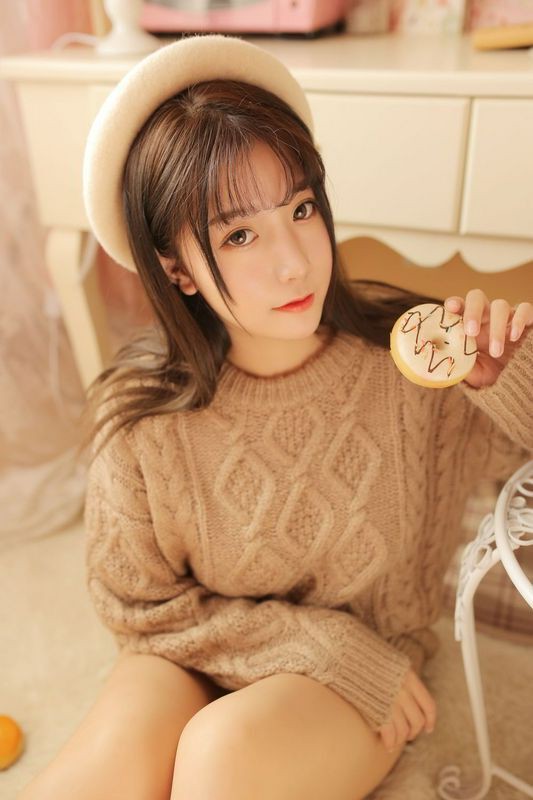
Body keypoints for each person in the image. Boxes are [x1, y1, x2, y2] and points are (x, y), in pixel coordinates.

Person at [20, 33, 533, 800]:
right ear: (174, 268)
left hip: (367, 671)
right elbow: (139, 607)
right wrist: (312, 642)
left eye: (300, 208)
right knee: (88, 782)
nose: (294, 261)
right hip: (205, 652)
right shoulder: (143, 418)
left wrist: (510, 377)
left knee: (220, 757)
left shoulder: (409, 364)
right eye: (238, 234)